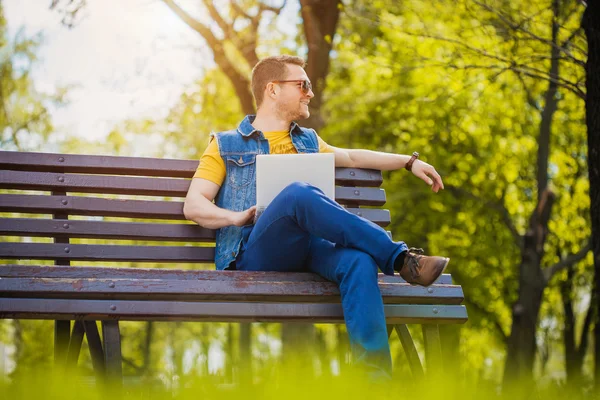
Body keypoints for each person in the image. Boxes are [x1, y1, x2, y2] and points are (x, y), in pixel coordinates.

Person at [183, 55, 449, 379]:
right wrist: (236, 218)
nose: (309, 92)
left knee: (359, 262)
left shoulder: (308, 140)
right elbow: (194, 204)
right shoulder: (226, 144)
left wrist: (409, 162)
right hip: (254, 253)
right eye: (302, 85)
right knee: (298, 194)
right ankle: (400, 259)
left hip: (308, 250)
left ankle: (376, 382)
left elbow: (352, 156)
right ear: (273, 90)